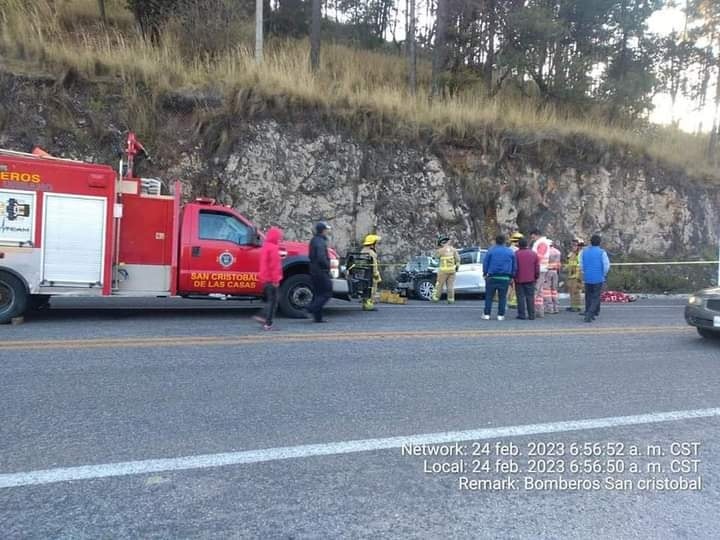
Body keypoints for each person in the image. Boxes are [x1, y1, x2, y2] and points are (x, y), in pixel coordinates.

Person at [253, 226, 283, 330]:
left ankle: (262, 317)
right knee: (274, 302)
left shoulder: (265, 247)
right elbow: (274, 266)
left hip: (265, 278)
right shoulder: (274, 248)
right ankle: (267, 323)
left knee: (271, 300)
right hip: (271, 279)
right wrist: (276, 280)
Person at [482, 234, 517, 321]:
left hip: (492, 277)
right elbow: (514, 265)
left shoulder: (491, 251)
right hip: (505, 278)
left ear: (495, 241)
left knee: (489, 297)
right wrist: (512, 276)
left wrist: (485, 273)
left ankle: (487, 314)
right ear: (505, 241)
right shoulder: (510, 252)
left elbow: (485, 263)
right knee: (502, 297)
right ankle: (500, 315)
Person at [580, 234, 611, 323]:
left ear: (591, 242)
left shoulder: (584, 252)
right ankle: (590, 313)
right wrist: (603, 274)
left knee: (588, 296)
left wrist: (584, 272)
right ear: (599, 242)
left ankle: (590, 311)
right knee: (596, 296)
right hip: (598, 277)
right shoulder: (602, 252)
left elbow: (581, 264)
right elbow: (606, 265)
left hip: (587, 277)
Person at [307, 221, 333, 322]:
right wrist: (328, 266)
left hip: (314, 270)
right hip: (321, 271)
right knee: (327, 293)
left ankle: (318, 318)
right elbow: (321, 257)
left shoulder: (314, 240)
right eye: (326, 229)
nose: (327, 231)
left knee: (318, 294)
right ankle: (311, 308)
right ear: (323, 230)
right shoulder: (320, 242)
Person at [514, 237, 540, 320]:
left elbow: (514, 267)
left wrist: (513, 276)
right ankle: (531, 315)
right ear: (527, 245)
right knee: (530, 297)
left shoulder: (516, 254)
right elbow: (537, 267)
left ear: (519, 245)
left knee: (520, 297)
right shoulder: (533, 254)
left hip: (519, 279)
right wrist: (536, 276)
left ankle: (522, 314)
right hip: (530, 279)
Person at [432, 235, 460, 304]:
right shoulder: (454, 250)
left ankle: (435, 298)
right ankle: (451, 300)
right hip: (452, 271)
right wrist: (457, 267)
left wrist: (436, 250)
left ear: (441, 243)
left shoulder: (440, 251)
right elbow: (458, 260)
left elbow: (434, 258)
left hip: (443, 271)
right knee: (450, 286)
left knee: (439, 285)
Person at [529, 228, 551, 318]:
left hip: (539, 269)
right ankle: (539, 311)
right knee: (540, 291)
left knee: (536, 290)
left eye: (533, 236)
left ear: (536, 234)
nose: (532, 238)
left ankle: (532, 310)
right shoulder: (543, 242)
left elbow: (538, 257)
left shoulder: (541, 243)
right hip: (542, 269)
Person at [360, 234, 382, 311]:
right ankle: (369, 305)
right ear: (372, 244)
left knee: (365, 289)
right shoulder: (371, 253)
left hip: (363, 274)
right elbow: (374, 265)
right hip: (370, 274)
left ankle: (365, 303)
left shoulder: (363, 251)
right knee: (372, 289)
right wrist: (376, 275)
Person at [565, 238, 585, 312]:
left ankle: (576, 307)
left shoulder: (580, 253)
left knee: (576, 291)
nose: (573, 246)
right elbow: (570, 263)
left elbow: (579, 264)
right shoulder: (572, 253)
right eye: (572, 244)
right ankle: (573, 305)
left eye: (575, 245)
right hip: (571, 275)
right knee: (571, 291)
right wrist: (565, 267)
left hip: (577, 275)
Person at [544, 240, 562, 314]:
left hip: (547, 271)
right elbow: (559, 264)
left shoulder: (546, 252)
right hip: (555, 272)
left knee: (547, 290)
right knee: (554, 290)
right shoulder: (557, 252)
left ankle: (549, 308)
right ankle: (556, 307)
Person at [507, 232, 524, 309]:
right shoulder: (517, 250)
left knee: (510, 287)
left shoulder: (508, 249)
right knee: (515, 287)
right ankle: (513, 302)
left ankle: (510, 301)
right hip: (516, 271)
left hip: (509, 271)